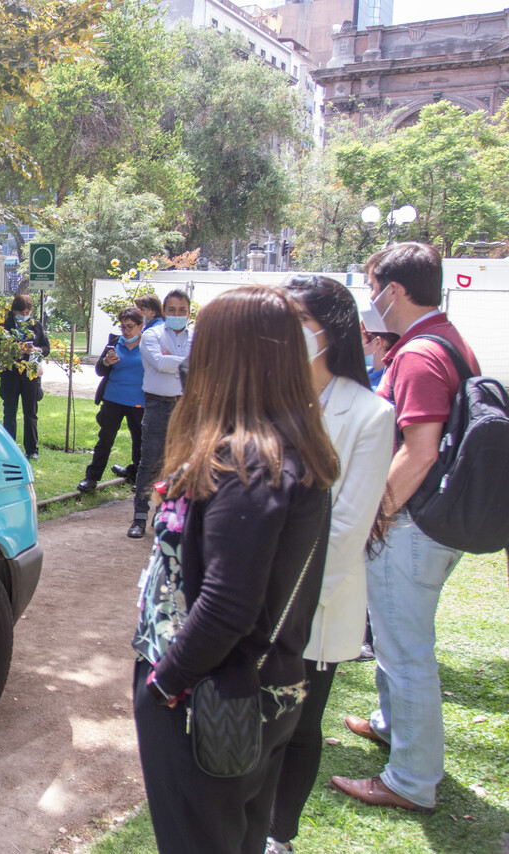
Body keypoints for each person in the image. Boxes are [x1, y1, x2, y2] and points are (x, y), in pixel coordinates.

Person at [131, 285, 336, 854]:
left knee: (199, 839)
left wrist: (164, 684)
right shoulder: (285, 446)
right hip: (252, 689)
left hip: (208, 695)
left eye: (205, 341)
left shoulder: (249, 459)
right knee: (234, 836)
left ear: (228, 356)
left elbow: (226, 604)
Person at [332, 242, 481, 815]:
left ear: (392, 290)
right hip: (431, 523)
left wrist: (378, 514)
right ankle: (392, 725)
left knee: (403, 651)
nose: (371, 300)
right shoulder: (447, 339)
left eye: (372, 287)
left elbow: (417, 451)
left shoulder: (418, 354)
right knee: (402, 641)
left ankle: (411, 780)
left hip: (411, 525)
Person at [266, 276, 394, 853]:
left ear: (329, 331)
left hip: (314, 603)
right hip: (247, 601)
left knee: (296, 729)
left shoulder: (369, 414)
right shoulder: (264, 399)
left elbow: (344, 531)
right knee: (250, 724)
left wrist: (272, 596)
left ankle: (278, 835)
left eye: (295, 321)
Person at [128, 289, 191, 538]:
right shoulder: (152, 334)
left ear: (188, 312)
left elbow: (203, 363)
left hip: (185, 407)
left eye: (182, 310)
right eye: (172, 310)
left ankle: (165, 515)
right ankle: (139, 518)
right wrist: (186, 361)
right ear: (164, 312)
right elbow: (159, 363)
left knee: (179, 463)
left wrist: (173, 359)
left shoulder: (197, 336)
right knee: (149, 463)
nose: (177, 314)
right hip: (157, 405)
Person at [78, 306, 144, 492]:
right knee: (105, 438)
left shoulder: (148, 344)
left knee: (139, 440)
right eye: (122, 327)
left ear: (140, 326)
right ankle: (91, 478)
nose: (125, 331)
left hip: (138, 401)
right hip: (113, 399)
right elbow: (100, 370)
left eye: (130, 326)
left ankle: (140, 477)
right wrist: (106, 362)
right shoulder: (115, 342)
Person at [0, 293, 49, 460]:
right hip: (10, 374)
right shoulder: (4, 325)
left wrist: (35, 350)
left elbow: (46, 347)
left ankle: (32, 449)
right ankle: (9, 447)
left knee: (31, 412)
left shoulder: (36, 325)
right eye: (22, 312)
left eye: (28, 312)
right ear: (14, 310)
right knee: (10, 411)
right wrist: (15, 349)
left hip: (30, 375)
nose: (25, 316)